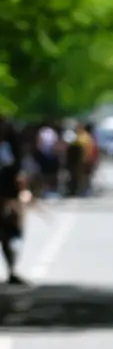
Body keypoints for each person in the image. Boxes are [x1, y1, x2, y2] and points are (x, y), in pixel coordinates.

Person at [0, 121, 34, 285]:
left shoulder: (10, 149)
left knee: (9, 235)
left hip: (8, 198)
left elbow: (16, 174)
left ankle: (11, 270)